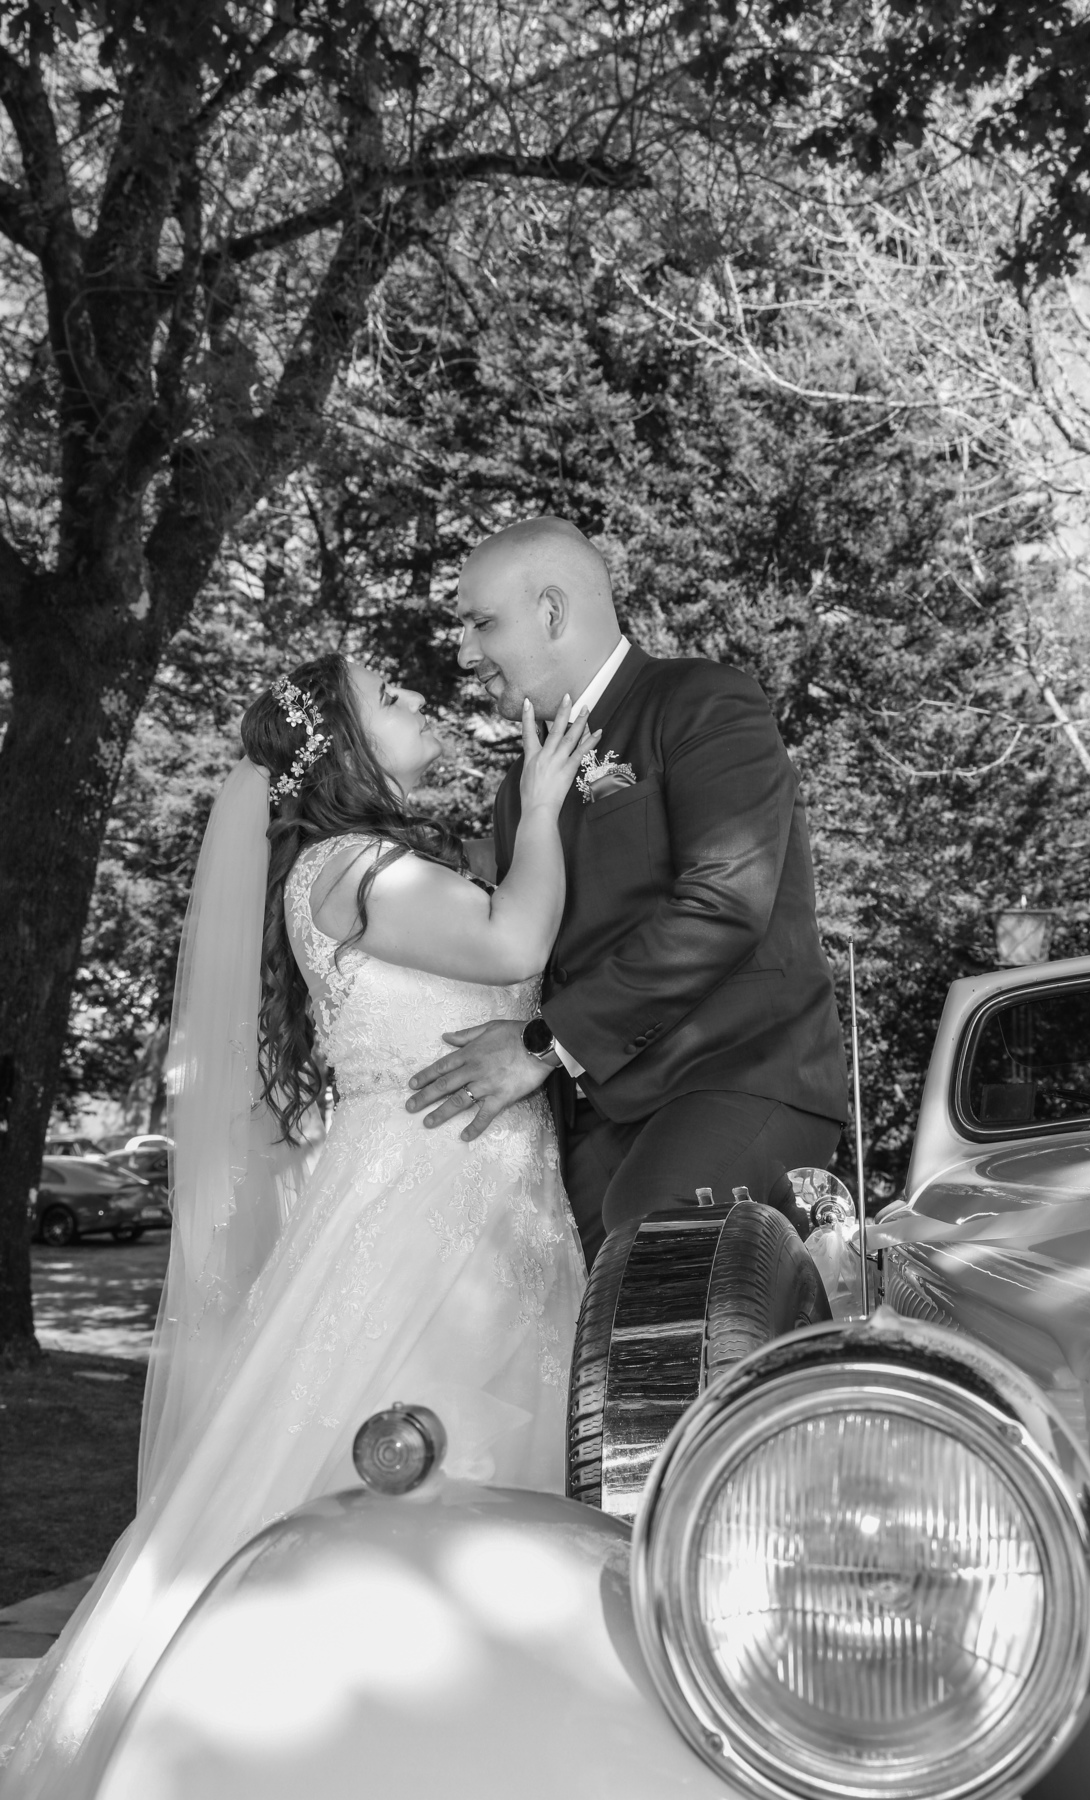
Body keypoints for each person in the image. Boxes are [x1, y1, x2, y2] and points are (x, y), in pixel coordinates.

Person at [0, 653, 591, 1795]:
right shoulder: (352, 866)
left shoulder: (375, 865)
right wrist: (547, 806)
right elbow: (515, 947)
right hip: (424, 1210)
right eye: (391, 697)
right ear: (341, 747)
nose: (418, 700)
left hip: (491, 1202)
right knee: (411, 1460)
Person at [407, 518, 849, 1267]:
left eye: (481, 623)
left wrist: (544, 1044)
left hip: (739, 1077)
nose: (463, 652)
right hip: (599, 1116)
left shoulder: (703, 702)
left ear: (552, 611)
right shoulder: (518, 791)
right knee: (550, 1286)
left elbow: (724, 904)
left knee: (649, 1244)